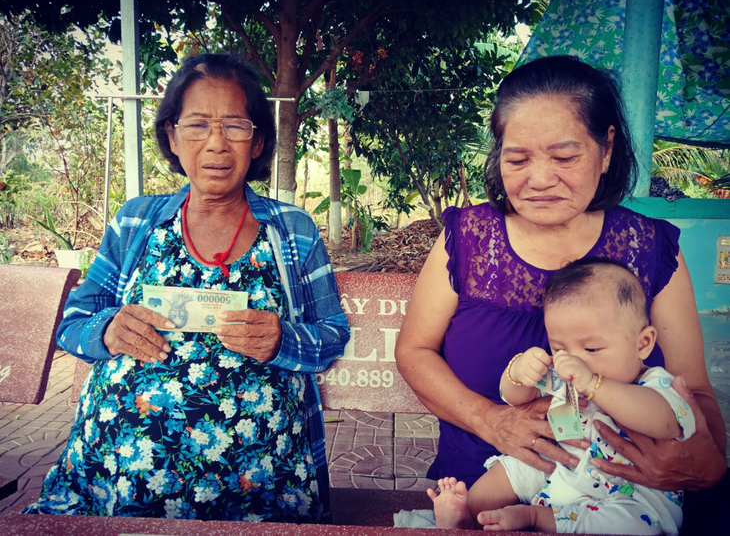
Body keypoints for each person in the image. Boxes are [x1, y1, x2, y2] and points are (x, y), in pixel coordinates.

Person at [395, 55, 726, 525]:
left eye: (565, 157)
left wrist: (705, 464)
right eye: (517, 159)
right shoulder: (468, 238)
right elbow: (414, 351)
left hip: (624, 502)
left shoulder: (649, 247)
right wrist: (493, 420)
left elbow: (696, 396)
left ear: (606, 149)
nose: (539, 179)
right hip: (484, 494)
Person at [24, 53, 350, 522]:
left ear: (258, 141)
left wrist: (284, 340)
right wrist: (108, 330)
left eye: (235, 126)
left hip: (259, 487)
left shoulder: (292, 230)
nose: (216, 143)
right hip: (115, 479)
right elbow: (74, 323)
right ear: (173, 137)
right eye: (197, 125)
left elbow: (332, 334)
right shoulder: (136, 221)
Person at [430, 259, 695, 535]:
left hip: (630, 490)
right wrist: (518, 373)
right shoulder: (563, 371)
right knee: (515, 467)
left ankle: (536, 517)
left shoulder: (657, 383)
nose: (573, 360)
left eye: (591, 349)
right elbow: (515, 398)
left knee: (634, 525)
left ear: (643, 344)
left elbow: (665, 423)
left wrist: (595, 385)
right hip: (561, 466)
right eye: (559, 348)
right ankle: (467, 516)